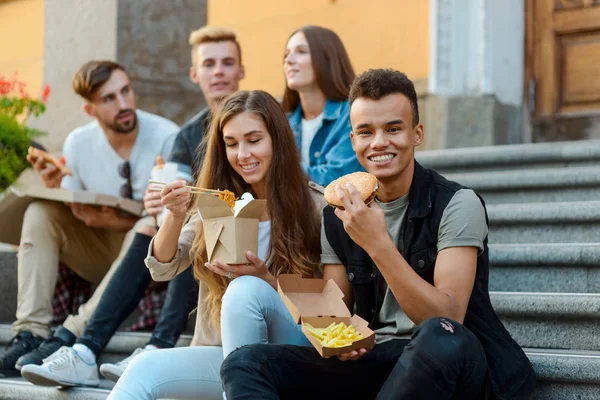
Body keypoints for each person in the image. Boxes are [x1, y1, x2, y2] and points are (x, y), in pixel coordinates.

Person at [220, 69, 537, 400]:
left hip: (453, 361)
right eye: (366, 132)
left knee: (438, 335)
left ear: (417, 134)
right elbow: (336, 312)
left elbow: (448, 315)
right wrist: (274, 284)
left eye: (393, 129)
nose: (379, 142)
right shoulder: (337, 212)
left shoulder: (456, 204)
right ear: (353, 140)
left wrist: (377, 243)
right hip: (379, 358)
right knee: (244, 363)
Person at [18, 26, 246, 386]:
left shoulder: (260, 117)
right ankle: (71, 345)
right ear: (194, 74)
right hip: (155, 247)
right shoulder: (184, 137)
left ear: (241, 70)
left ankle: (128, 342)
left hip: (237, 238)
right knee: (158, 221)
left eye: (227, 62)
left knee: (184, 222)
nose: (218, 71)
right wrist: (166, 205)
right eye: (209, 64)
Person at [106, 90, 324, 400]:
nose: (243, 154)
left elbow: (331, 307)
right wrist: (174, 215)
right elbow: (162, 267)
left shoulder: (316, 206)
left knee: (244, 289)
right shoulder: (217, 203)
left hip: (293, 352)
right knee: (143, 368)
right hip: (225, 353)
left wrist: (265, 280)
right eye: (231, 144)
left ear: (277, 139)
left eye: (254, 140)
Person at [0, 60, 178, 372]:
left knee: (146, 223)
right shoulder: (79, 143)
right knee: (41, 210)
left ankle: (73, 332)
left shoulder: (166, 136)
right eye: (109, 98)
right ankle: (30, 333)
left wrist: (108, 221)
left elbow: (168, 223)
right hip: (98, 254)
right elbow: (76, 207)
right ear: (90, 110)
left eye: (126, 91)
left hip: (153, 262)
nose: (123, 104)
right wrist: (55, 187)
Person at [283, 25, 362, 186]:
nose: (289, 60)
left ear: (327, 58)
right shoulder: (284, 121)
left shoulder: (354, 115)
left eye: (301, 51)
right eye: (286, 54)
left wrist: (276, 168)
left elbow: (335, 179)